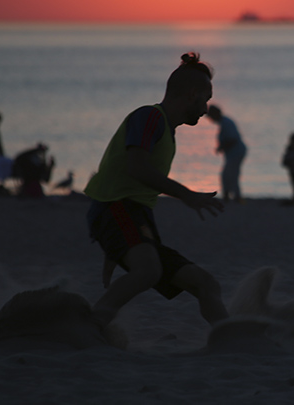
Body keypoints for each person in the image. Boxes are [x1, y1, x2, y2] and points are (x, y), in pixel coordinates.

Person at [84, 52, 227, 329]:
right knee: (148, 271)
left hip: (136, 217)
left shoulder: (166, 131)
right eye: (205, 100)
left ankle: (232, 337)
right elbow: (136, 168)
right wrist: (187, 195)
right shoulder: (149, 116)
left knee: (206, 284)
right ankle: (93, 325)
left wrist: (118, 249)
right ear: (191, 94)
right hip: (116, 208)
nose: (206, 108)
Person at [206, 105, 247, 203]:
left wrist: (222, 147)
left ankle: (235, 196)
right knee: (228, 174)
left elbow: (233, 139)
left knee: (231, 174)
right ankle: (229, 195)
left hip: (236, 152)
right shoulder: (224, 123)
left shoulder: (226, 123)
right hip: (233, 153)